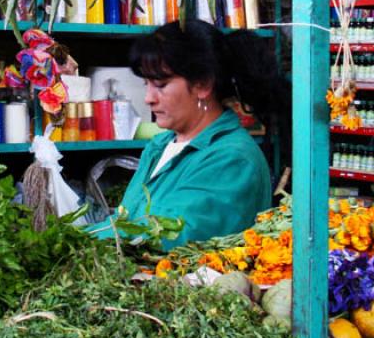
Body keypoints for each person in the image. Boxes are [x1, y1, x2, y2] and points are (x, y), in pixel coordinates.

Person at [87, 19, 289, 249]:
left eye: (160, 85)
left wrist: (83, 242)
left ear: (202, 85)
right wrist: (75, 238)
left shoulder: (233, 159)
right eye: (147, 84)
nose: (148, 98)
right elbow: (122, 223)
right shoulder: (160, 146)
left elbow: (168, 237)